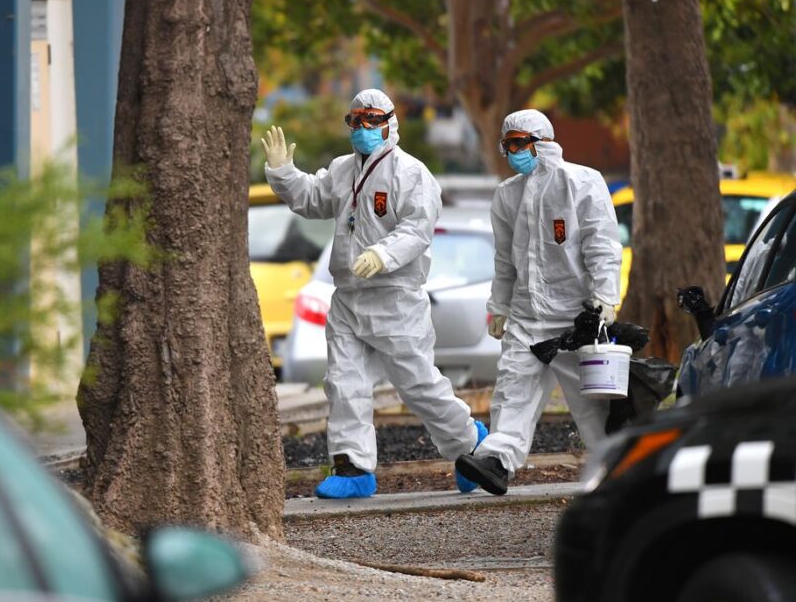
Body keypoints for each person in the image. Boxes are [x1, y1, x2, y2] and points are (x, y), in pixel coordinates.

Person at [261, 89, 487, 499]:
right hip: (347, 296)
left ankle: (468, 442)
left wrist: (383, 255)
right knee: (344, 382)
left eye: (372, 120)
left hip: (395, 297)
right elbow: (314, 199)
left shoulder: (411, 174)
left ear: (389, 123)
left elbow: (418, 229)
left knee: (416, 384)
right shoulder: (342, 170)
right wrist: (284, 174)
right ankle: (353, 468)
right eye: (356, 120)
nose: (363, 129)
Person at [456, 109, 622, 495]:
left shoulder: (582, 183)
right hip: (528, 317)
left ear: (542, 143)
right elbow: (504, 259)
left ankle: (616, 473)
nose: (512, 152)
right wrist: (499, 306)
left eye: (518, 143)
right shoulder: (507, 195)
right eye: (507, 145)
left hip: (577, 319)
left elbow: (602, 245)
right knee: (513, 390)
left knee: (592, 406)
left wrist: (604, 298)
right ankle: (496, 461)